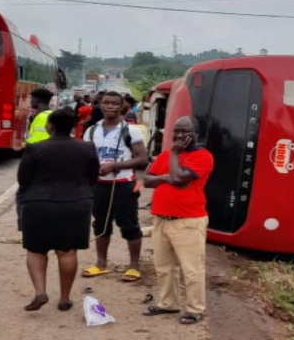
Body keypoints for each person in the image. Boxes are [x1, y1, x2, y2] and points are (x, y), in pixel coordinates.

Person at [17, 107, 99, 312]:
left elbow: (23, 179)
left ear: (50, 126)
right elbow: (93, 177)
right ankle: (64, 299)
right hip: (76, 203)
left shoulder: (35, 149)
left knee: (36, 249)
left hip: (38, 202)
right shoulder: (87, 148)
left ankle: (40, 291)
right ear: (72, 126)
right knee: (67, 251)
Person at [143, 116, 214, 325]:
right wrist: (165, 177)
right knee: (163, 266)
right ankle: (168, 303)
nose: (180, 136)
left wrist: (173, 157)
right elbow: (147, 180)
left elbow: (177, 178)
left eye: (185, 132)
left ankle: (195, 309)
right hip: (161, 218)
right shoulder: (165, 155)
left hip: (189, 221)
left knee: (192, 269)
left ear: (196, 134)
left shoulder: (203, 157)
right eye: (176, 131)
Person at [82, 91, 148, 282]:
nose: (110, 106)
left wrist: (115, 166)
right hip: (99, 186)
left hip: (124, 186)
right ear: (101, 106)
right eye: (106, 103)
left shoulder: (130, 131)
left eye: (114, 104)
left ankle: (134, 266)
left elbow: (142, 158)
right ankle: (101, 264)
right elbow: (87, 157)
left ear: (121, 107)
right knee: (100, 224)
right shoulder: (91, 131)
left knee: (129, 225)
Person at [0, 88, 54, 245]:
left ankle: (24, 232)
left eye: (32, 98)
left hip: (38, 164)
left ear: (37, 100)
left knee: (23, 196)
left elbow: (40, 142)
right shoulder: (44, 116)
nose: (31, 101)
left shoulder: (43, 117)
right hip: (44, 163)